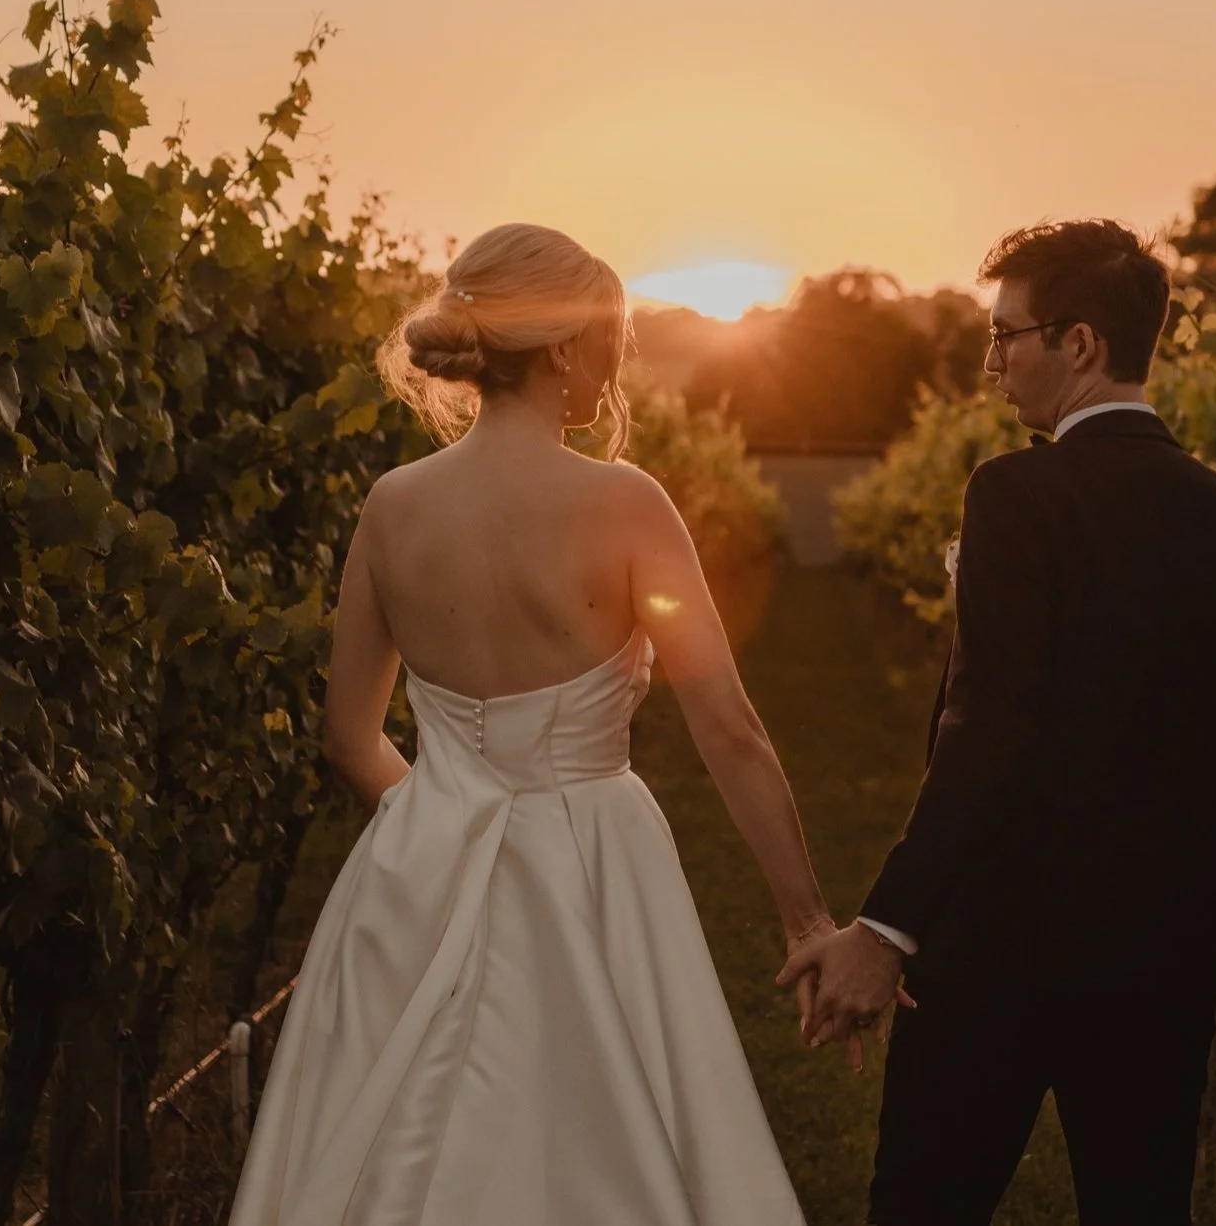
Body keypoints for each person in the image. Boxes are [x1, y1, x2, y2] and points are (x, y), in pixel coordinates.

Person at [229, 223, 831, 1226]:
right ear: (561, 345)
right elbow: (729, 728)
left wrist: (449, 816)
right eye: (611, 336)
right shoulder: (626, 503)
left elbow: (349, 738)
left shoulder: (391, 506)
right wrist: (807, 917)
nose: (619, 359)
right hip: (595, 855)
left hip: (413, 866)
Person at [780, 219, 1216, 1226]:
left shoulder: (1017, 492)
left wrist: (886, 928)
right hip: (1166, 962)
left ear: (1081, 344)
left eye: (1006, 335)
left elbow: (989, 728)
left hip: (997, 953)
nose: (992, 363)